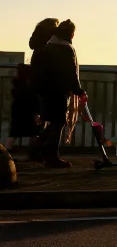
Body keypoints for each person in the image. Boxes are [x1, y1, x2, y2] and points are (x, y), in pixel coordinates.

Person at [35, 19, 87, 168]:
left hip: (46, 89)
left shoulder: (49, 46)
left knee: (53, 121)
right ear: (70, 33)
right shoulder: (66, 49)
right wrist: (78, 90)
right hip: (59, 90)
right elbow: (71, 72)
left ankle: (38, 146)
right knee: (59, 122)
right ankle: (51, 156)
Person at [4, 19, 56, 156]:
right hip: (34, 99)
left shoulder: (37, 48)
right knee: (35, 129)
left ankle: (6, 155)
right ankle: (35, 152)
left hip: (19, 109)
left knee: (14, 132)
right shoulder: (46, 50)